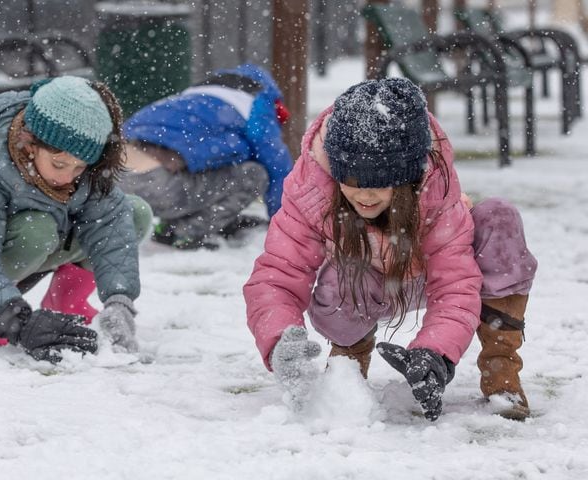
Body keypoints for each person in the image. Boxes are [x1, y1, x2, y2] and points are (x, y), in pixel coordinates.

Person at [243, 78, 537, 421]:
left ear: (408, 179)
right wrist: (280, 340)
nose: (365, 197)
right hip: (361, 284)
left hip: (421, 271)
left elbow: (455, 284)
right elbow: (277, 274)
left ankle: (501, 372)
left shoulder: (436, 191)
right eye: (351, 183)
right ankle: (348, 364)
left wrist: (435, 352)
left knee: (500, 219)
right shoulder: (311, 190)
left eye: (380, 185)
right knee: (342, 272)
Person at [0, 76, 153, 363]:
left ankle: (68, 302)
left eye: (80, 167)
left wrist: (120, 301)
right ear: (30, 143)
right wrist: (16, 321)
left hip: (49, 234)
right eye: (59, 164)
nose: (68, 177)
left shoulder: (83, 166)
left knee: (134, 214)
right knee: (37, 231)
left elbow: (109, 224)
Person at [119, 63, 293, 250]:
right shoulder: (257, 102)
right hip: (158, 185)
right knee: (254, 174)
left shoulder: (193, 95)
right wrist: (288, 224)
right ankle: (184, 233)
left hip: (114, 181)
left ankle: (174, 226)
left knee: (209, 167)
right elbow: (277, 165)